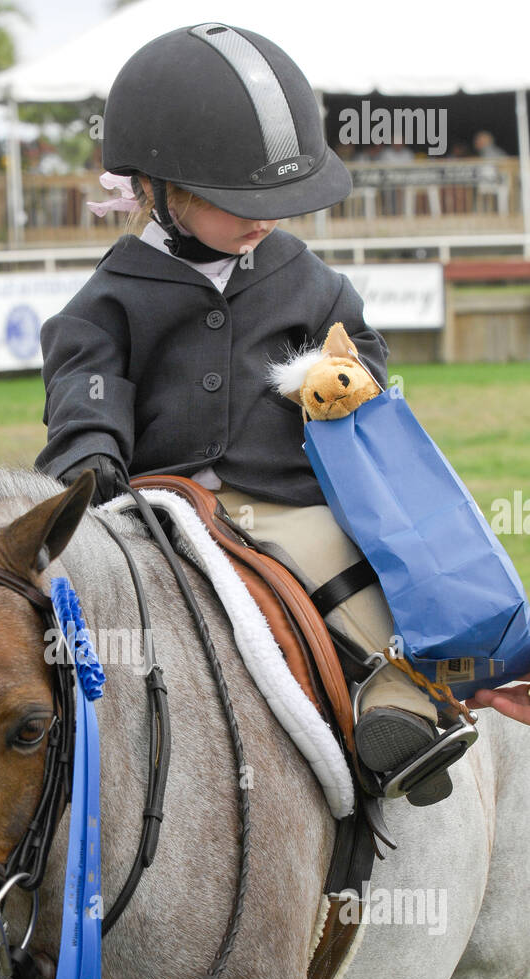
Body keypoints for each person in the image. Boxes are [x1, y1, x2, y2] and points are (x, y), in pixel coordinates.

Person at [34, 23, 468, 806]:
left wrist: (345, 374)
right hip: (155, 509)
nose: (264, 220)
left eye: (280, 201)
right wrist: (89, 453)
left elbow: (358, 350)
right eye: (241, 203)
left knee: (352, 573)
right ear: (158, 191)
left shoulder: (306, 278)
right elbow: (84, 383)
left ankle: (405, 708)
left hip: (278, 504)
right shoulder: (108, 298)